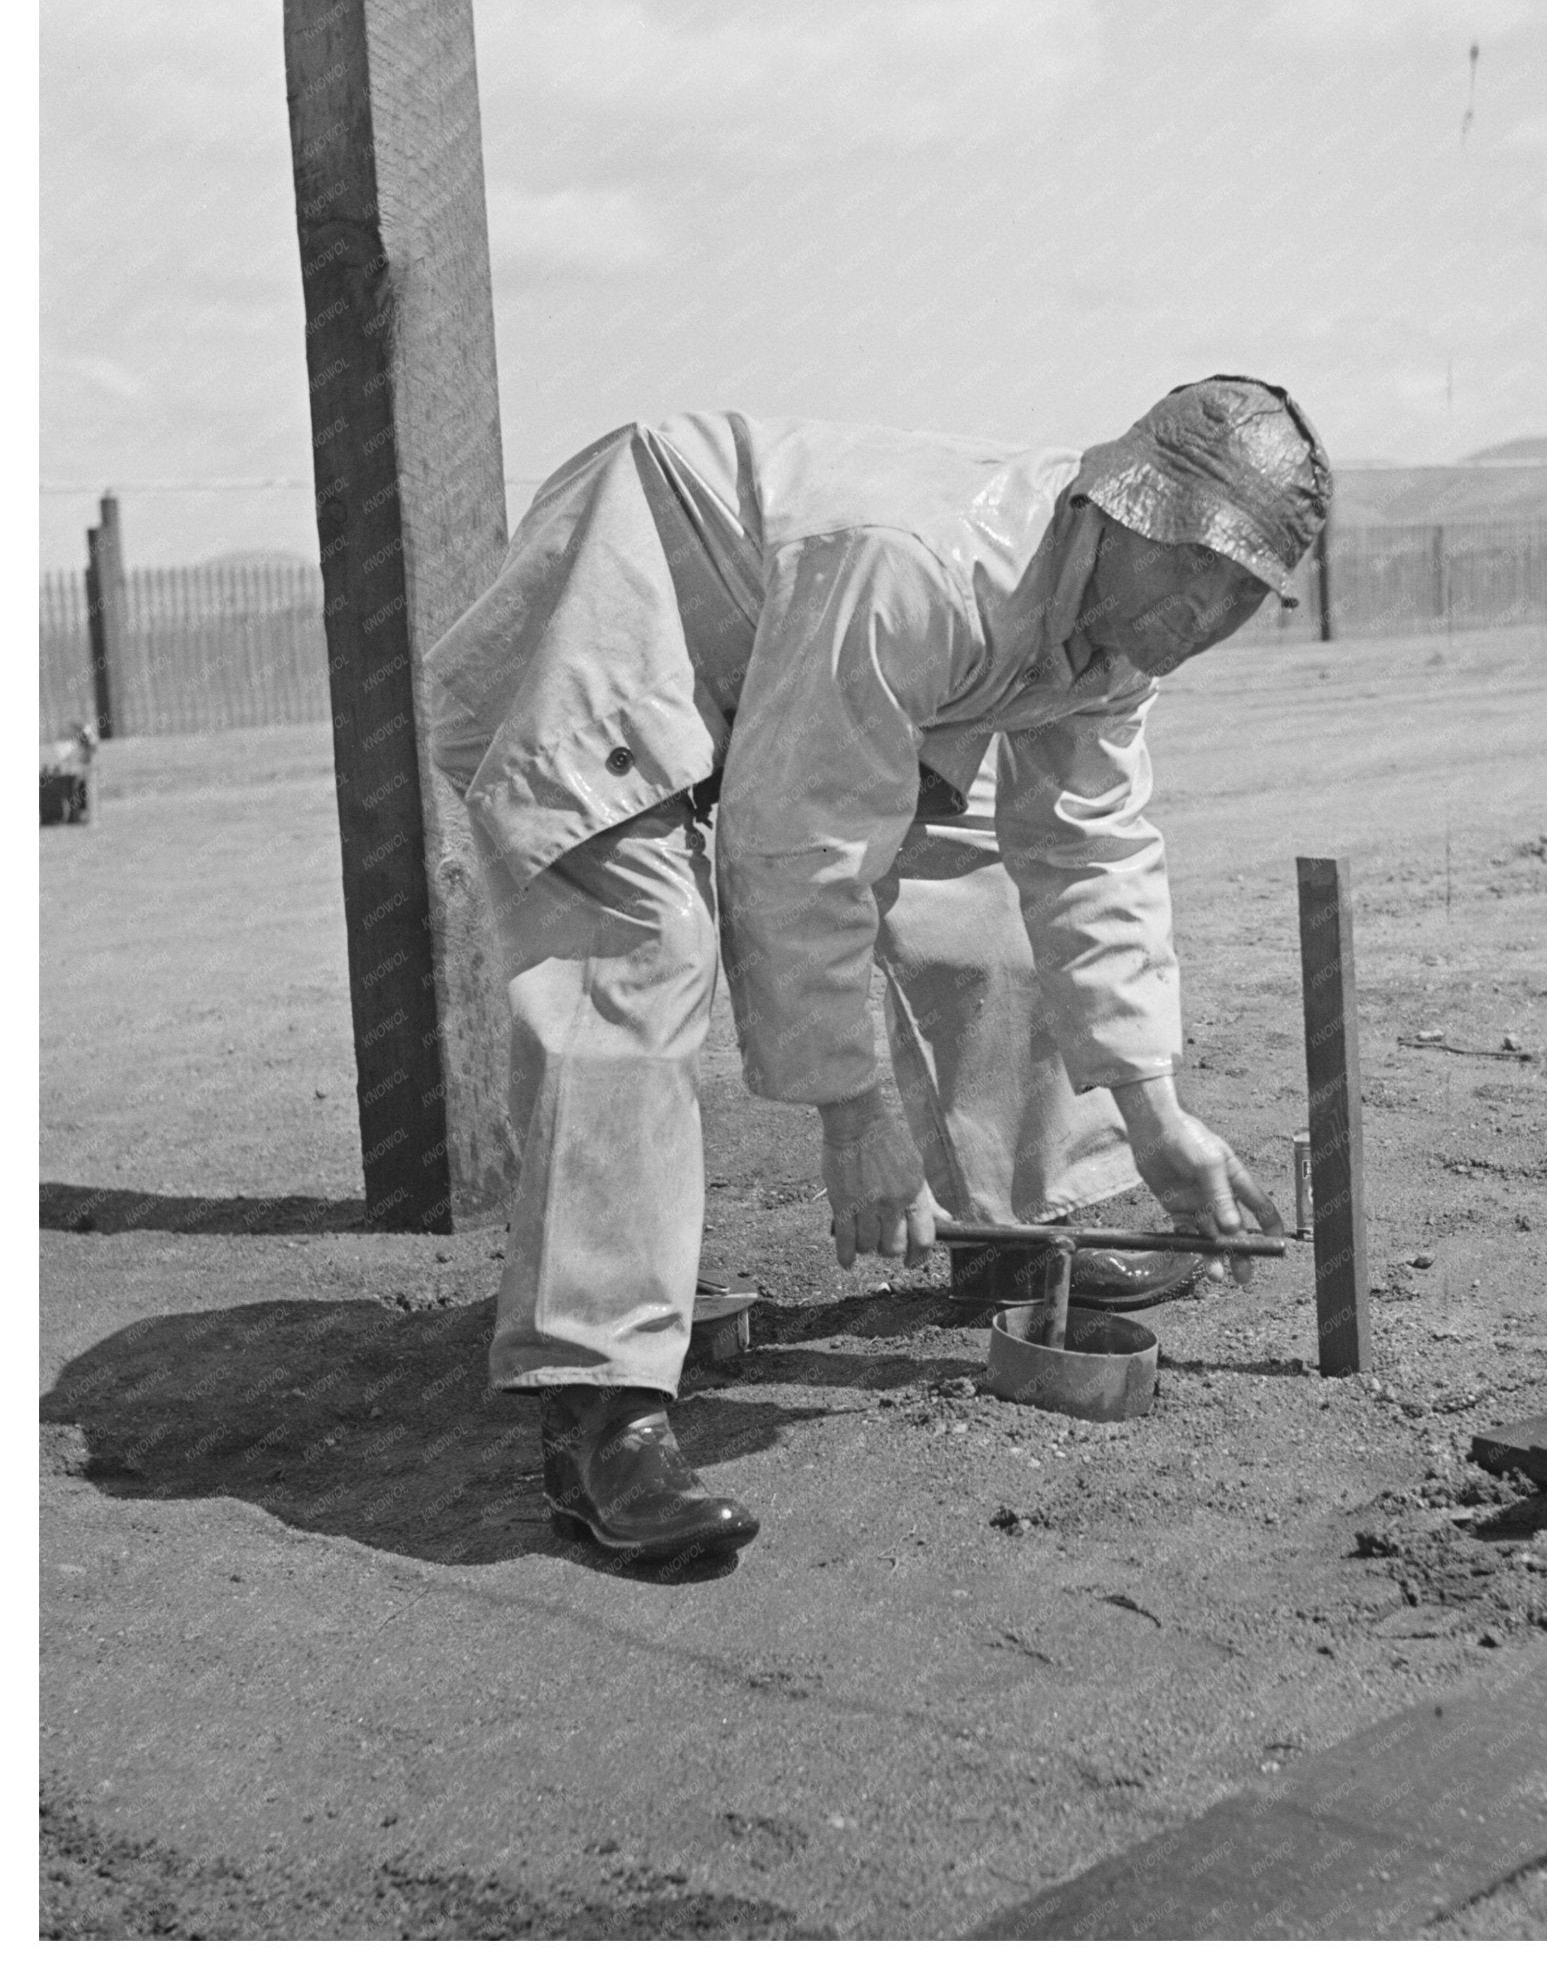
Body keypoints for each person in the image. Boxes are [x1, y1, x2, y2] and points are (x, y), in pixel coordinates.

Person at [425, 375, 1332, 1563]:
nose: (1203, 613)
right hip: (618, 616)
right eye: (1192, 566)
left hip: (789, 667)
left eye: (1240, 592)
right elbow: (800, 846)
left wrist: (1155, 1111)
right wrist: (855, 1115)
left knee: (978, 891)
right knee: (639, 959)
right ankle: (604, 1408)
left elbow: (1088, 850)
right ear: (1121, 507)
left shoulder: (1116, 631)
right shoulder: (922, 566)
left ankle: (1012, 1227)